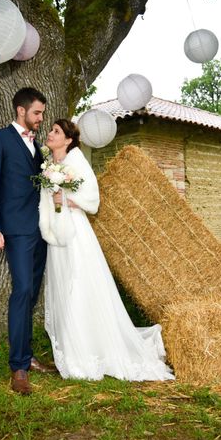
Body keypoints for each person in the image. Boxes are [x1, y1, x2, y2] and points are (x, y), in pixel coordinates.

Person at [39, 119, 175, 381]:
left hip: (76, 233)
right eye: (51, 130)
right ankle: (72, 346)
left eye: (56, 131)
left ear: (68, 140)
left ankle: (88, 350)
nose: (50, 134)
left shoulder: (76, 160)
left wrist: (65, 199)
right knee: (63, 285)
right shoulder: (49, 165)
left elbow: (92, 199)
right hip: (57, 234)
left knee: (78, 284)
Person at [0, 87, 56, 396]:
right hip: (15, 229)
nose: (41, 118)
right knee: (22, 290)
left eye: (42, 113)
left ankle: (28, 355)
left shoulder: (37, 146)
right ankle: (18, 368)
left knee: (32, 292)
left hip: (41, 230)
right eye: (37, 113)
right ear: (21, 111)